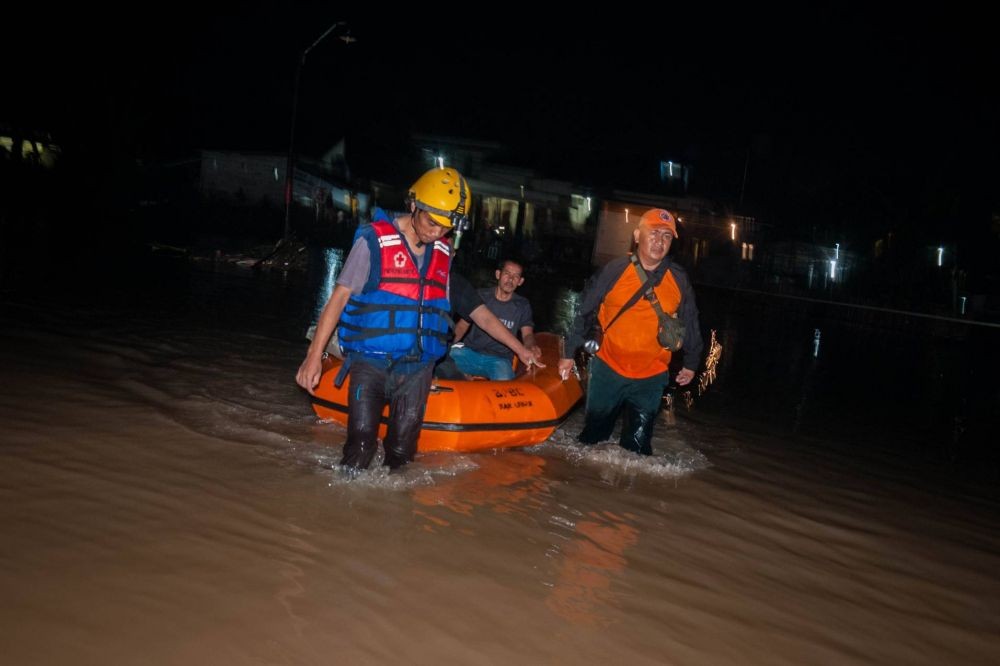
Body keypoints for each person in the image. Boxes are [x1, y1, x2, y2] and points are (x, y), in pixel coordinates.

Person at [296, 166, 542, 471]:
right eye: (431, 222)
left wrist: (522, 350)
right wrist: (313, 355)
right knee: (360, 447)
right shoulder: (373, 242)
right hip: (370, 362)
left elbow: (482, 315)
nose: (436, 232)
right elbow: (338, 299)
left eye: (445, 228)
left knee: (401, 454)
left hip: (416, 369)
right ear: (414, 204)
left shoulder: (443, 252)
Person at [557, 208, 703, 456]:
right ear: (637, 236)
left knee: (637, 451)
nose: (660, 241)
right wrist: (568, 352)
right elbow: (584, 310)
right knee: (591, 442)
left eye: (667, 236)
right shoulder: (614, 270)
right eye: (654, 233)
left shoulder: (678, 279)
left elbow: (690, 320)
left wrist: (691, 362)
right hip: (608, 368)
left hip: (651, 374)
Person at [448, 259, 540, 380]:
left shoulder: (522, 305)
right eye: (507, 273)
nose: (510, 279)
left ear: (520, 281)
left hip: (500, 360)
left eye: (516, 276)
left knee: (506, 388)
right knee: (444, 360)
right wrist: (448, 347)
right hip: (469, 353)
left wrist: (531, 346)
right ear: (498, 274)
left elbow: (527, 334)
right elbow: (461, 326)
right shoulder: (480, 296)